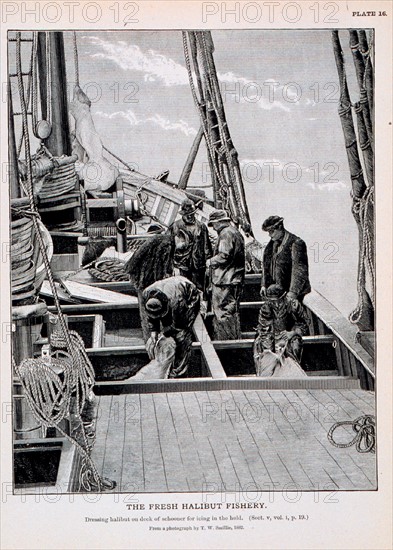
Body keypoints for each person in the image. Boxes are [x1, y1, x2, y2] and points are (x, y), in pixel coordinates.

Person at [142, 275, 200, 378]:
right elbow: (151, 316)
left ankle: (178, 372)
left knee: (182, 336)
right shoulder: (146, 294)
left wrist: (169, 331)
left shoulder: (177, 302)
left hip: (190, 294)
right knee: (169, 332)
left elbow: (177, 323)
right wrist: (154, 332)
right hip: (171, 291)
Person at [253, 284, 309, 377]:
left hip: (289, 334)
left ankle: (293, 375)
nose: (275, 304)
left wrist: (293, 332)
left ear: (283, 297)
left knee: (295, 345)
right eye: (272, 301)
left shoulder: (293, 305)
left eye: (278, 301)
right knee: (259, 345)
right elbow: (264, 327)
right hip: (272, 335)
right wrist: (269, 345)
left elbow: (303, 323)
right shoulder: (265, 308)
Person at [207, 210, 245, 340]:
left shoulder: (226, 233)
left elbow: (224, 256)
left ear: (219, 222)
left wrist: (209, 262)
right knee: (231, 312)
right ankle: (233, 339)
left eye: (213, 224)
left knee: (223, 313)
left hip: (224, 281)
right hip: (234, 279)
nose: (213, 227)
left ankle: (225, 341)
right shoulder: (235, 232)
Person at [261, 216, 311, 302]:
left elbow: (299, 270)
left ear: (280, 227)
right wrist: (264, 285)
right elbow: (266, 265)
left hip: (292, 293)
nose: (269, 235)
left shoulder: (296, 243)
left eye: (272, 231)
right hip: (277, 292)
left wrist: (293, 292)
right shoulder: (271, 244)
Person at [167, 199, 212, 290]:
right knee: (182, 290)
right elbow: (169, 247)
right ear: (183, 214)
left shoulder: (201, 226)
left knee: (199, 290)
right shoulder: (175, 226)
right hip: (181, 266)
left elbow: (207, 247)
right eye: (187, 215)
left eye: (192, 214)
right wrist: (170, 267)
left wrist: (208, 264)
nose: (190, 216)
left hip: (198, 266)